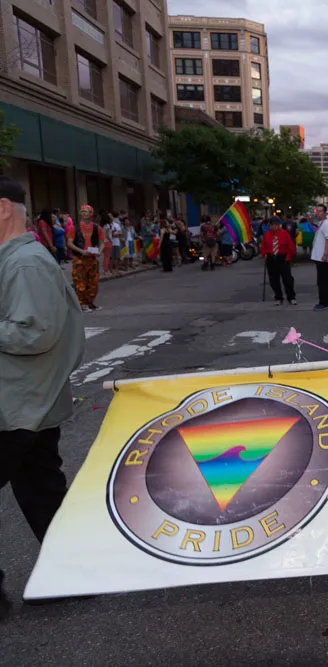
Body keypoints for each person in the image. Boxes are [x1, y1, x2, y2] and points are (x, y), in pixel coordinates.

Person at [0, 177, 85, 621]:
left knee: (41, 487)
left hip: (17, 403)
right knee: (40, 488)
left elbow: (35, 333)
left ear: (3, 209)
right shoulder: (19, 260)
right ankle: (72, 574)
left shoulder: (25, 264)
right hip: (28, 401)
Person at [65, 205, 105, 312]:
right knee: (80, 281)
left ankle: (90, 302)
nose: (84, 213)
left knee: (93, 281)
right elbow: (69, 243)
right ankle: (82, 303)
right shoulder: (74, 228)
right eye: (82, 211)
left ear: (91, 213)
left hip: (92, 259)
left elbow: (102, 242)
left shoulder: (97, 228)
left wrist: (100, 251)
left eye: (86, 211)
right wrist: (81, 251)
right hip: (79, 258)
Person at [262, 216, 297, 305]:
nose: (274, 226)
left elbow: (291, 247)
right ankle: (278, 297)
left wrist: (288, 257)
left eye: (276, 224)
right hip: (271, 259)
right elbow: (263, 247)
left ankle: (291, 297)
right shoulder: (267, 235)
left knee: (287, 279)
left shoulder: (285, 234)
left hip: (283, 258)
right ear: (270, 225)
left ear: (279, 225)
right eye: (272, 225)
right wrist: (264, 254)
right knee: (274, 279)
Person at [312, 205, 328, 310]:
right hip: (319, 258)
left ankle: (323, 303)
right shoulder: (321, 224)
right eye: (317, 211)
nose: (318, 213)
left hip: (324, 258)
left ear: (325, 212)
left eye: (320, 211)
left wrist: (325, 254)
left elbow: (327, 240)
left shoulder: (326, 224)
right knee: (322, 280)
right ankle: (327, 302)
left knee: (322, 281)